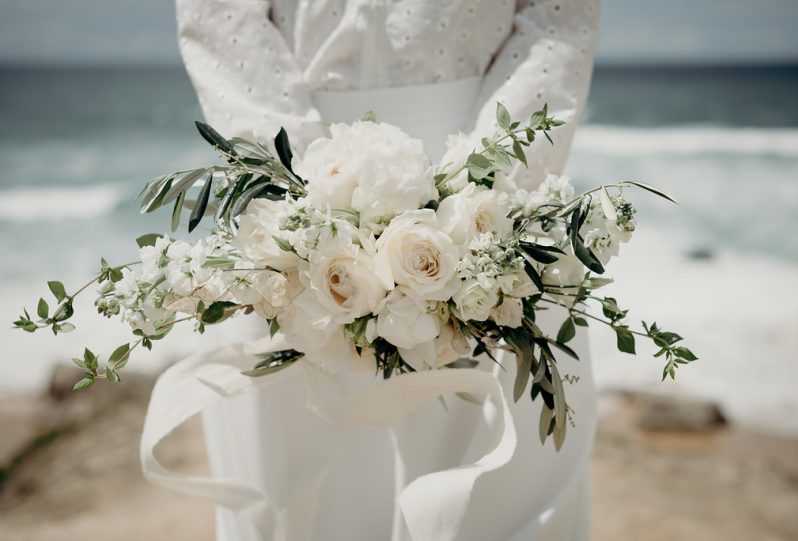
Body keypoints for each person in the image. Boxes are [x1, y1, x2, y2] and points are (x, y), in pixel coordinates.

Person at [167, 1, 601, 539]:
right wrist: (310, 204)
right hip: (294, 218)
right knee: (302, 494)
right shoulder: (299, 215)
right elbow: (220, 16)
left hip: (489, 221)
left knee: (489, 498)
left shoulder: (485, 214)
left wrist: (477, 193)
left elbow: (557, 19)